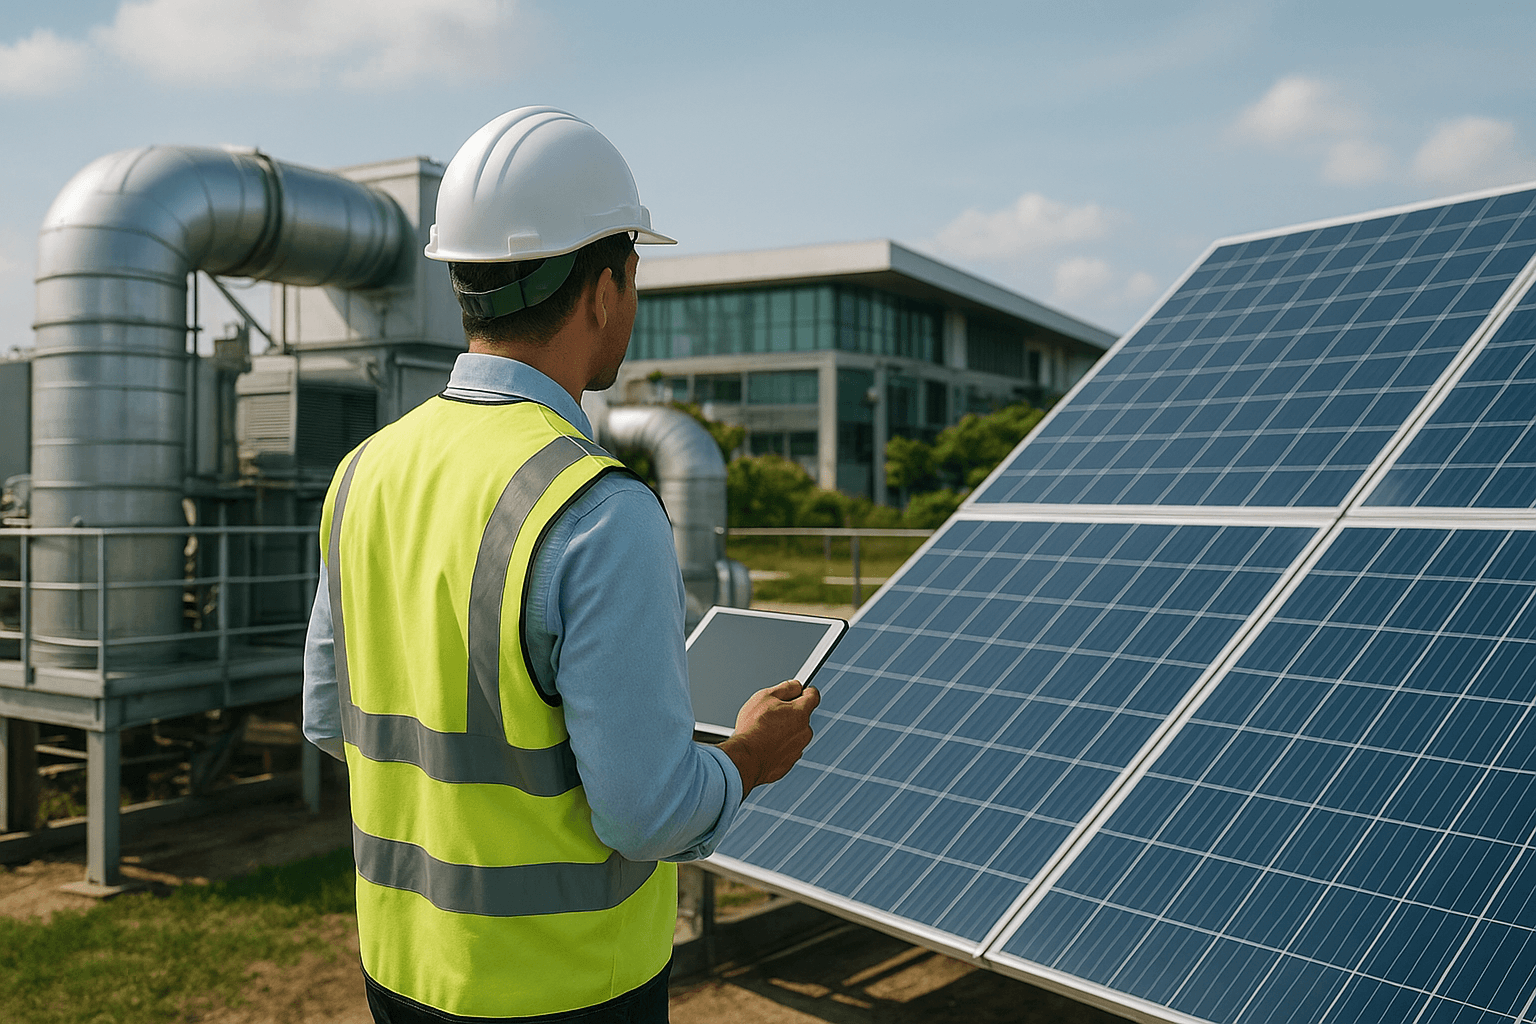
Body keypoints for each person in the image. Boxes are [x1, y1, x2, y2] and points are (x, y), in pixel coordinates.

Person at [302, 107, 821, 1024]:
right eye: (634, 273)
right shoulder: (599, 510)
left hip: (401, 968)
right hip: (565, 988)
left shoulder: (362, 473)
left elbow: (324, 719)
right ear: (603, 291)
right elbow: (645, 815)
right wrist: (747, 758)